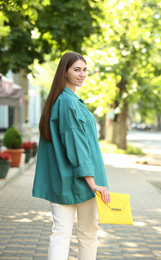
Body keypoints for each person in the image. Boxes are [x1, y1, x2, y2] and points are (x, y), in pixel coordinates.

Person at [32, 51, 110, 260]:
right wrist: (92, 183)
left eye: (84, 69)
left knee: (61, 233)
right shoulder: (69, 103)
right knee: (86, 233)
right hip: (82, 182)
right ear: (64, 73)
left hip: (62, 181)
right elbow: (77, 145)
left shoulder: (60, 101)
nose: (82, 74)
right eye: (77, 69)